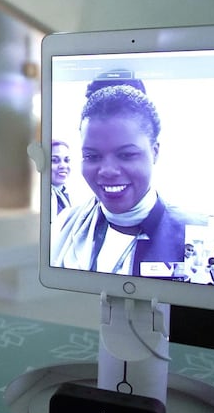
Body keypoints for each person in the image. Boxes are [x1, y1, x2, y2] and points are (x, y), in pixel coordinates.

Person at [51, 84, 204, 277]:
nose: (107, 171)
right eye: (92, 156)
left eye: (126, 155)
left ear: (155, 152)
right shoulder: (64, 226)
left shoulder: (197, 235)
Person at [50, 140, 72, 219]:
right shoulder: (40, 198)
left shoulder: (69, 196)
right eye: (54, 160)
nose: (63, 166)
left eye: (67, 160)